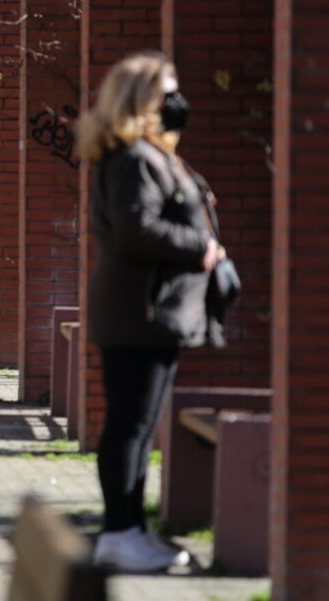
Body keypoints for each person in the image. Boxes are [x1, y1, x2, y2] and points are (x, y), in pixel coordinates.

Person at [81, 52, 224, 572]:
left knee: (137, 426)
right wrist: (200, 246)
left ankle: (131, 530)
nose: (177, 102)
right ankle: (120, 530)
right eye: (168, 93)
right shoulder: (136, 158)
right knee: (130, 425)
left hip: (148, 312)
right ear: (140, 100)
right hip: (140, 312)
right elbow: (136, 228)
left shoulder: (143, 154)